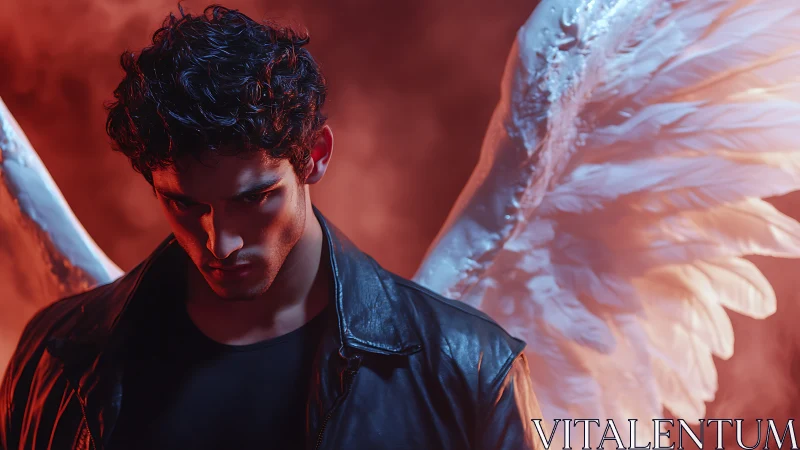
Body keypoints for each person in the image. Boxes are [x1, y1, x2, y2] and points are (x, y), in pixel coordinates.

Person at [0, 5, 543, 449]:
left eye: (254, 198)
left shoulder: (470, 366)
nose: (221, 242)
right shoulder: (56, 353)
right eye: (184, 204)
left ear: (315, 155)